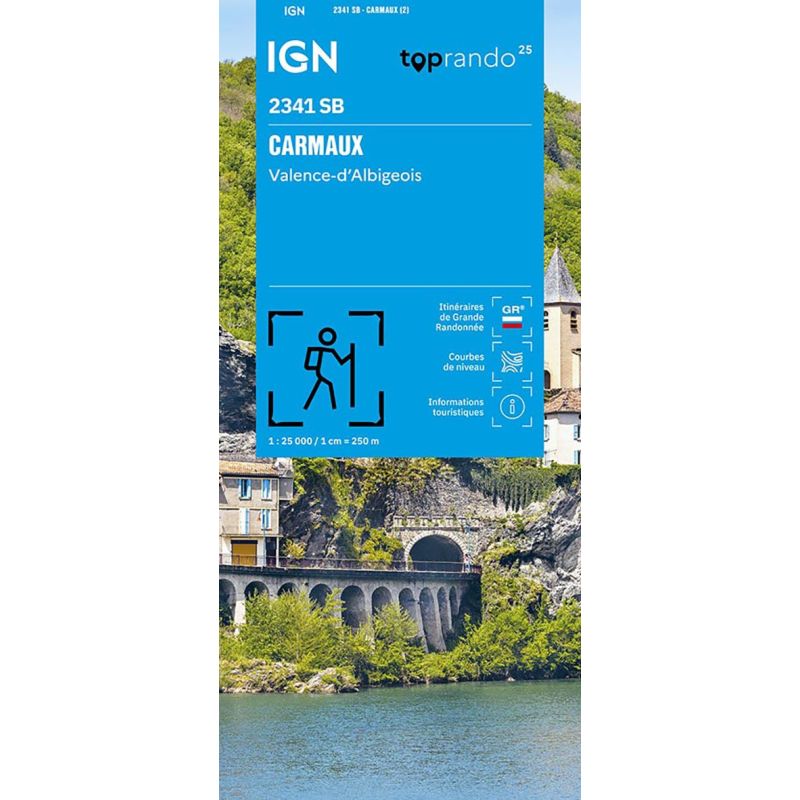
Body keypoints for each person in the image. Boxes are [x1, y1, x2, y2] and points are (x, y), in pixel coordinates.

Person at [303, 327, 353, 410]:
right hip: (321, 372)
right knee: (327, 385)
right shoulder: (315, 350)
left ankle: (308, 404)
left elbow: (341, 362)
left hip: (326, 373)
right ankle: (333, 405)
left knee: (320, 386)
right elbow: (307, 365)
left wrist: (350, 355)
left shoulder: (331, 351)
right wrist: (315, 366)